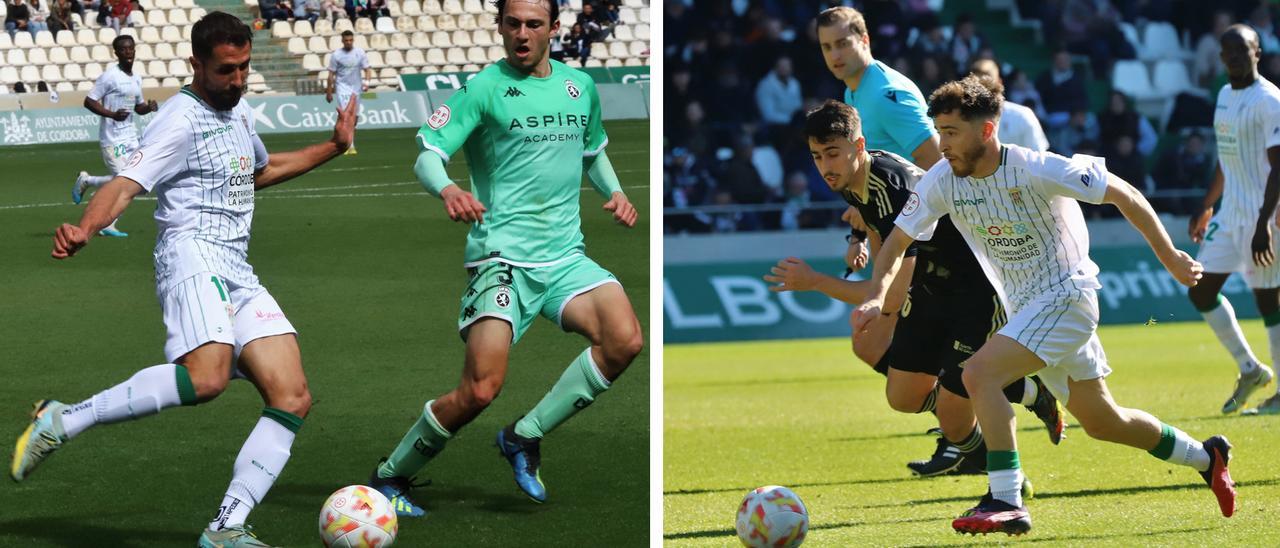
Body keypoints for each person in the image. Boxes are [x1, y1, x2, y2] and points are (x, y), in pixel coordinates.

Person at [11, 12, 357, 547]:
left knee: (292, 396)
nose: (238, 80)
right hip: (190, 255)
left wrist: (332, 147)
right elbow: (126, 184)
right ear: (194, 64)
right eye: (225, 70)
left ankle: (226, 528)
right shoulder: (179, 119)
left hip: (237, 268)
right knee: (207, 378)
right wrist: (85, 228)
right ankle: (66, 418)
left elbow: (259, 172)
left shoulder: (238, 114)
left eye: (244, 68)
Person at [852, 75, 1235, 535]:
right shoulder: (941, 181)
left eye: (951, 133)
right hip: (1028, 310)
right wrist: (876, 295)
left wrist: (1171, 257)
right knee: (1103, 421)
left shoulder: (1036, 167)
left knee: (978, 374)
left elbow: (1123, 192)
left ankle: (1006, 497)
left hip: (1068, 297)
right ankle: (1206, 456)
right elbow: (896, 241)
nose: (942, 144)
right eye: (939, 132)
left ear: (987, 131)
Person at [368, 0, 642, 518]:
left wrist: (616, 191)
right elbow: (428, 151)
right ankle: (389, 476)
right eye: (512, 23)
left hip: (565, 258)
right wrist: (447, 188)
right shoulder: (482, 89)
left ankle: (524, 437)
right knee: (480, 389)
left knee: (625, 340)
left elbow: (593, 150)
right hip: (502, 259)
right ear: (499, 26)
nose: (522, 33)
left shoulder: (578, 87)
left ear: (554, 29)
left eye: (533, 24)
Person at [766, 100, 1063, 477]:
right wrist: (858, 236)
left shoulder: (893, 187)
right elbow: (875, 227)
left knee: (956, 417)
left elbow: (889, 295)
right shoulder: (852, 176)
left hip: (973, 290)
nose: (825, 166)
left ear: (858, 147)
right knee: (903, 397)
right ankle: (1012, 396)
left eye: (832, 154)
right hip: (929, 288)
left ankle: (999, 467)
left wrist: (816, 282)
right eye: (817, 156)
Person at [816, 4, 955, 467]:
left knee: (879, 341)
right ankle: (960, 427)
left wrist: (910, 223)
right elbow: (868, 179)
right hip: (893, 234)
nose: (835, 54)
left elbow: (940, 164)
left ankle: (975, 426)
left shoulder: (887, 94)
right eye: (826, 47)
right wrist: (860, 232)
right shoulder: (854, 95)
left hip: (928, 244)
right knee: (870, 343)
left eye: (842, 42)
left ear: (865, 41)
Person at [1187, 25, 1280, 415]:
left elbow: (1278, 168)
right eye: (1228, 51)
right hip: (1230, 216)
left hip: (1264, 218)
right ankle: (1250, 368)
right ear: (1221, 58)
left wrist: (1264, 224)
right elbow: (1228, 157)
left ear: (1257, 51)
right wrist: (1208, 204)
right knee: (1200, 290)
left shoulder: (1270, 100)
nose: (1236, 57)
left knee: (1268, 301)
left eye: (1243, 49)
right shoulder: (1224, 95)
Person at [72, 35, 158, 238]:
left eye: (131, 49)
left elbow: (137, 107)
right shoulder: (109, 77)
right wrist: (111, 115)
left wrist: (148, 107)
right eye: (123, 49)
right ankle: (107, 224)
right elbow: (89, 101)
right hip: (112, 138)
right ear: (116, 53)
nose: (128, 52)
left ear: (135, 51)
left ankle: (87, 181)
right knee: (126, 181)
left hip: (130, 138)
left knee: (140, 184)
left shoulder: (136, 77)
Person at [969, 59, 1048, 152]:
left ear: (999, 83)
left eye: (986, 84)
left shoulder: (1023, 116)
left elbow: (1038, 158)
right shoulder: (960, 119)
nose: (981, 90)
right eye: (976, 85)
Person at [326, 30, 370, 155]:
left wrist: (367, 83)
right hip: (342, 87)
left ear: (353, 40)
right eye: (346, 40)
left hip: (356, 88)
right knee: (346, 116)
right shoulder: (336, 55)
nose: (348, 42)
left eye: (351, 40)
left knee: (355, 117)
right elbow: (331, 75)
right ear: (342, 41)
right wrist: (329, 92)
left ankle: (347, 140)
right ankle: (349, 145)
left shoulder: (359, 52)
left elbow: (367, 69)